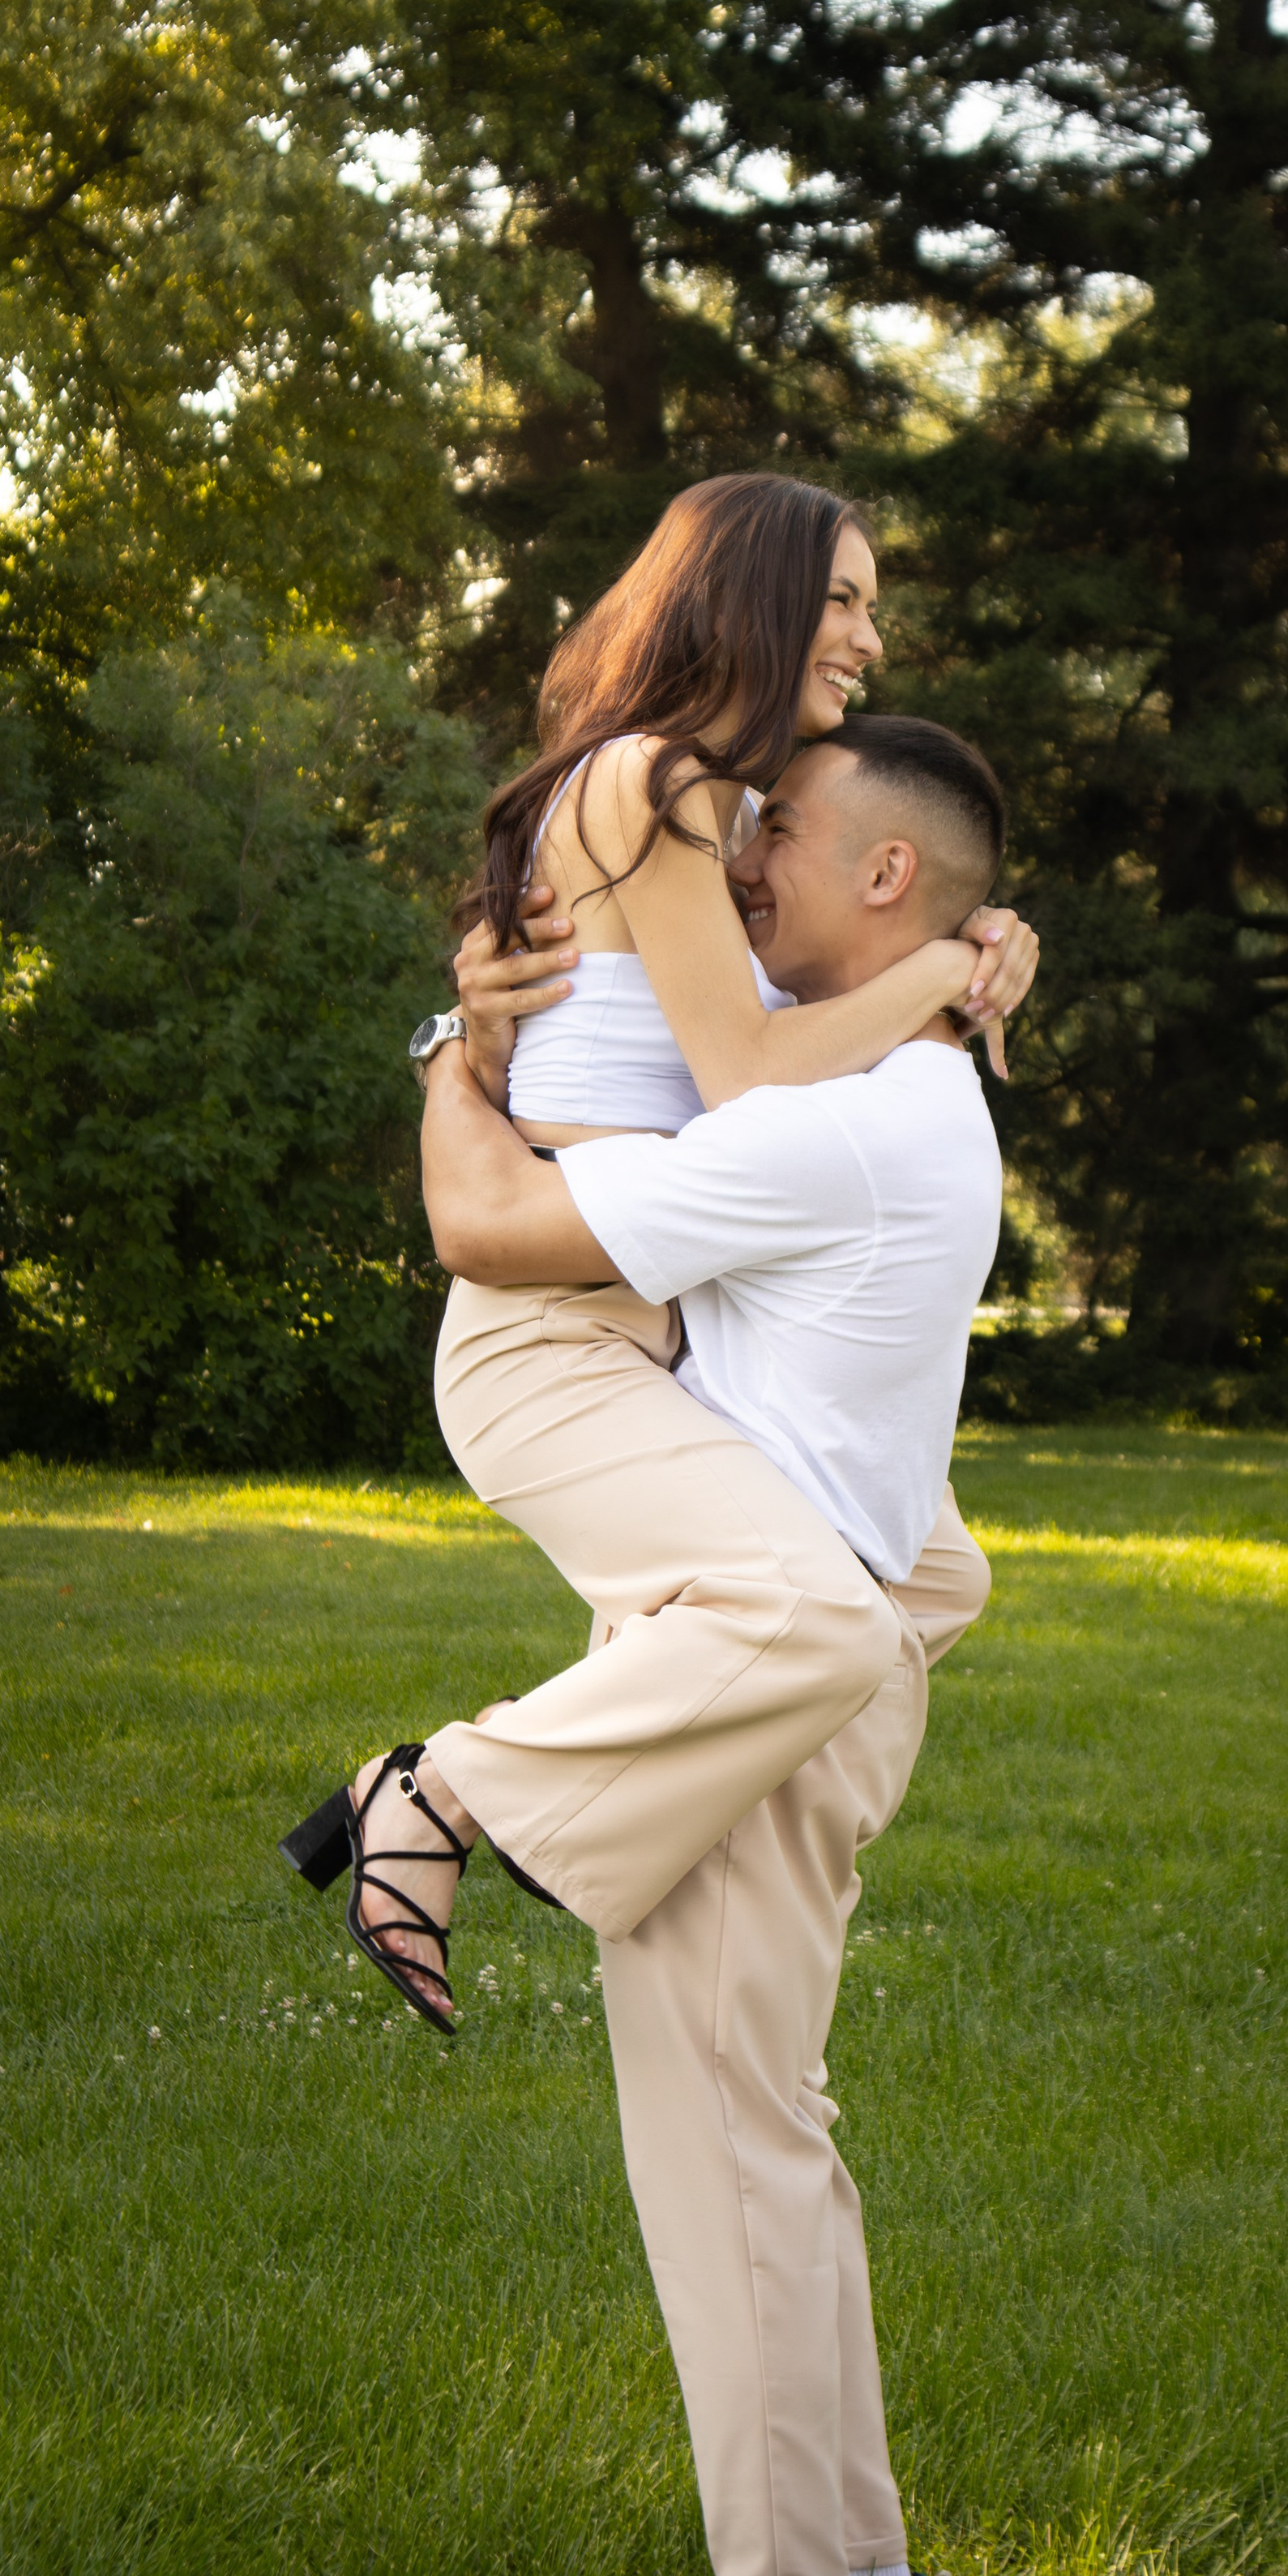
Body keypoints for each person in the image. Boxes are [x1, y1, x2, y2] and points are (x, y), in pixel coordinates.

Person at [417, 718, 1009, 2576]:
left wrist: (451, 1056)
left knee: (719, 2159)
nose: (741, 872)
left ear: (883, 886)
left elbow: (499, 1234)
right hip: (823, 1659)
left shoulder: (826, 1122)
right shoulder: (910, 1095)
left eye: (785, 847)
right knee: (781, 2135)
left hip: (766, 1676)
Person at [283, 478, 1035, 2021]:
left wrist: (976, 937)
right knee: (815, 1609)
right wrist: (948, 970)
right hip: (553, 1327)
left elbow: (796, 977)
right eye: (843, 598)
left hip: (651, 1326)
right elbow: (755, 1073)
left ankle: (750, 1828)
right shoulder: (661, 782)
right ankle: (436, 1797)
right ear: (753, 594)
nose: (869, 639)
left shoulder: (710, 809)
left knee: (921, 1569)